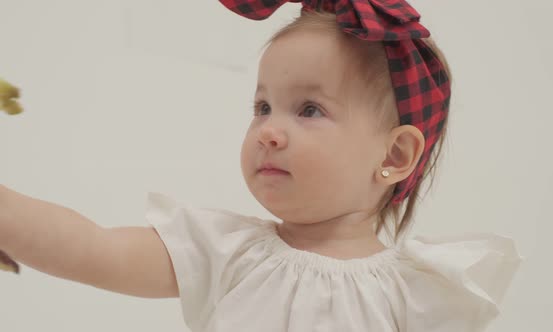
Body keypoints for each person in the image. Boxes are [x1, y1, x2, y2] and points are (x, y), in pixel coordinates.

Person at [0, 1, 523, 331]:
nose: (269, 131)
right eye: (262, 107)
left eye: (310, 110)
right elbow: (94, 249)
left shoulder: (421, 291)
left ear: (393, 156)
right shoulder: (227, 254)